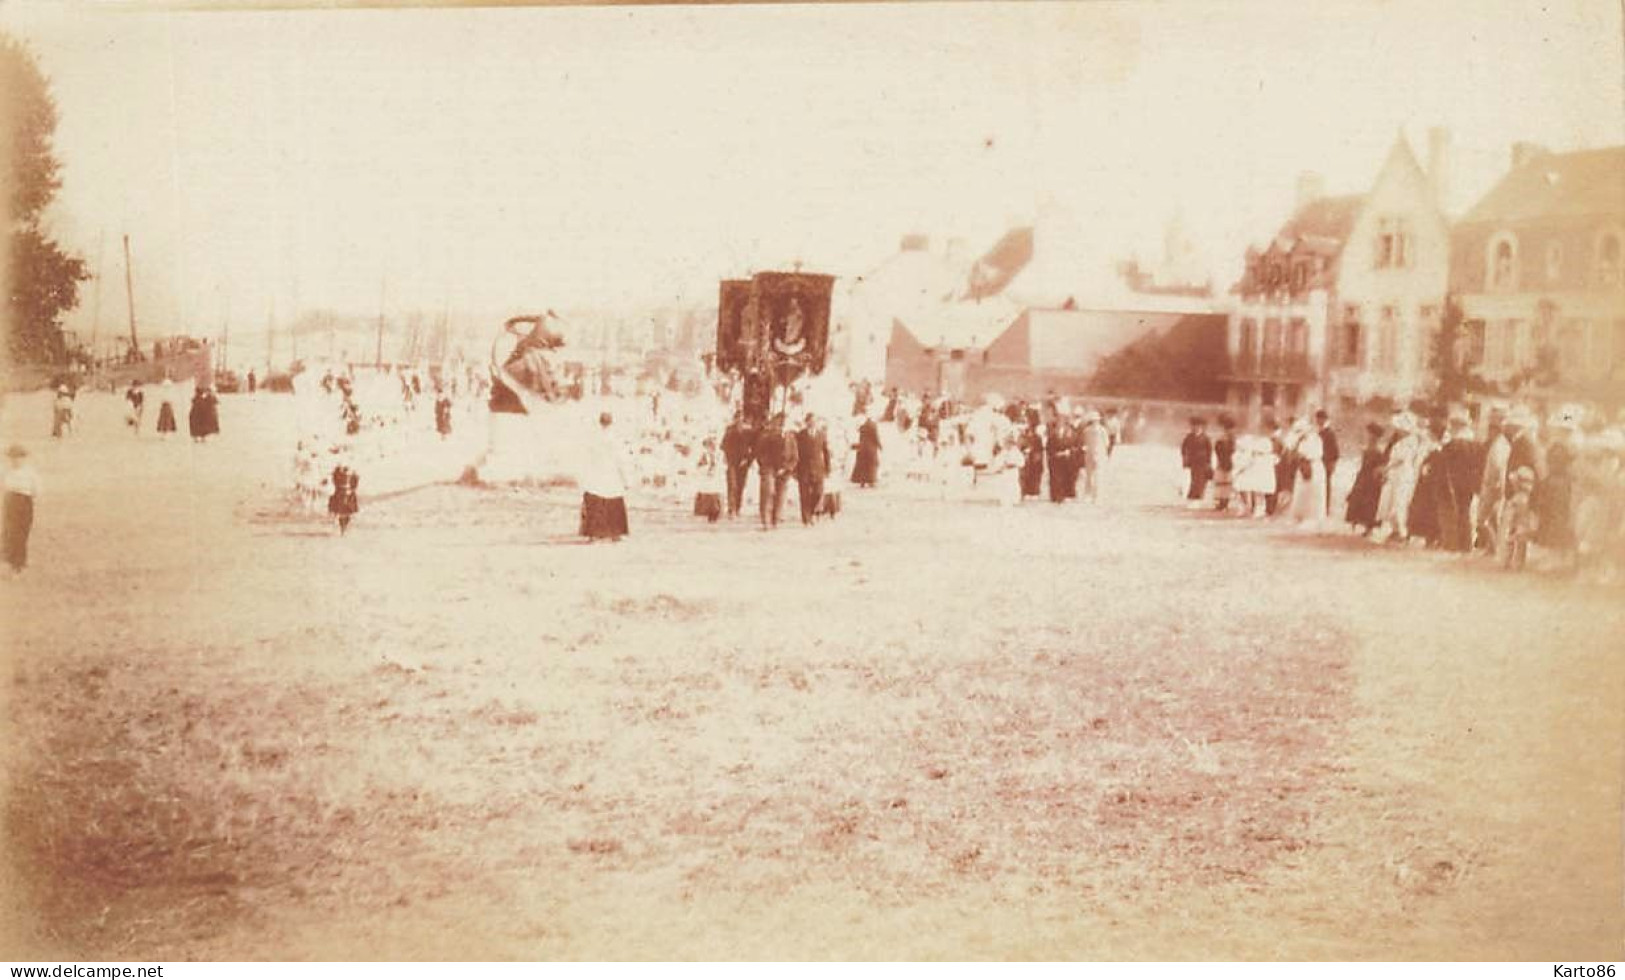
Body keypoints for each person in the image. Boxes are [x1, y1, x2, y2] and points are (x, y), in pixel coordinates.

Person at [579, 412, 630, 542]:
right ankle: (615, 533)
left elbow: (586, 458)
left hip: (597, 474)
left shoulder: (593, 437)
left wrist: (584, 477)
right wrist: (626, 479)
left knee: (596, 502)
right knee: (612, 502)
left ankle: (594, 534)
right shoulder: (615, 438)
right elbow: (621, 459)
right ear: (611, 422)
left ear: (600, 422)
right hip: (611, 474)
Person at [3, 444, 40, 574]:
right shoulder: (7, 472)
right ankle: (12, 561)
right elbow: (5, 488)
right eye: (13, 458)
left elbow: (35, 490)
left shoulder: (30, 472)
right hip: (11, 502)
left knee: (23, 531)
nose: (16, 461)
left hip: (25, 502)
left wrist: (26, 499)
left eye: (19, 458)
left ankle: (20, 560)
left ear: (24, 458)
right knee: (10, 532)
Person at [1344, 422, 1386, 534]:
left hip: (1371, 479)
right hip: (1363, 476)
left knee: (1369, 502)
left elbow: (1380, 467)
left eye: (1371, 435)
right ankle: (1356, 522)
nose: (1369, 437)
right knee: (1358, 498)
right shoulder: (1368, 448)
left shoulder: (1378, 451)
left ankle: (1369, 527)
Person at [1289, 419, 1327, 526]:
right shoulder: (1300, 441)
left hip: (1314, 466)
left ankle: (1313, 517)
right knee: (1301, 492)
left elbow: (1316, 453)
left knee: (1313, 492)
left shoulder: (1315, 439)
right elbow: (1292, 451)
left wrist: (1304, 457)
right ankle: (1299, 516)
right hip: (1302, 467)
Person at [795, 414, 831, 525]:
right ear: (806, 422)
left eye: (814, 421)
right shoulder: (800, 435)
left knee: (818, 492)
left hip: (818, 468)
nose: (812, 423)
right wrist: (795, 469)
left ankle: (812, 511)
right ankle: (806, 518)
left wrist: (827, 468)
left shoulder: (822, 434)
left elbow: (826, 452)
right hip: (803, 468)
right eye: (810, 421)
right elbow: (796, 452)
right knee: (804, 494)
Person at [721, 411, 755, 518]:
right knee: (732, 485)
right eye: (737, 418)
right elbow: (724, 445)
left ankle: (738, 507)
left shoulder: (748, 432)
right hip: (732, 461)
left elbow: (753, 448)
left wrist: (748, 459)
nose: (739, 420)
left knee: (740, 486)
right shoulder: (729, 430)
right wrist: (726, 457)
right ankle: (732, 509)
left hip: (743, 463)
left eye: (740, 418)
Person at [1180, 416, 1213, 508]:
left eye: (1198, 426)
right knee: (1194, 479)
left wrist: (1208, 462)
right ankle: (1192, 497)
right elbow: (1183, 448)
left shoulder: (1205, 438)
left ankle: (1198, 498)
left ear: (1201, 427)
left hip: (1203, 462)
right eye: (1193, 426)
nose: (1195, 428)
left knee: (1201, 480)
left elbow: (1209, 450)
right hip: (1193, 461)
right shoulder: (1189, 437)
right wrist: (1185, 459)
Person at [1079, 410, 1110, 503]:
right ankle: (1092, 496)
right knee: (1093, 476)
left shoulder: (1098, 430)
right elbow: (1107, 443)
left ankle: (1093, 496)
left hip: (1095, 454)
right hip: (1094, 454)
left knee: (1094, 476)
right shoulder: (1092, 430)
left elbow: (1106, 443)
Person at [1316, 410, 1340, 514]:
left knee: (1326, 485)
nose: (1318, 421)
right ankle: (1319, 507)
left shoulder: (1329, 433)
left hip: (1326, 463)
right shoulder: (1318, 432)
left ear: (1324, 420)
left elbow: (1335, 451)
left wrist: (1332, 464)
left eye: (1320, 419)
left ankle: (1326, 508)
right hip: (1319, 462)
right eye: (1317, 418)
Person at [1212, 416, 1237, 512]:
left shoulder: (1230, 438)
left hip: (1228, 461)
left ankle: (1224, 503)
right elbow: (1217, 449)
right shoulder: (1225, 438)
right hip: (1223, 461)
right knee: (1222, 483)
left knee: (1225, 483)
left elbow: (1231, 451)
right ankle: (1222, 502)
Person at [328, 460, 360, 535]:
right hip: (340, 493)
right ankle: (342, 528)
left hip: (347, 493)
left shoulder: (352, 473)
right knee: (341, 512)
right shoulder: (338, 472)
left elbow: (355, 480)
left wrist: (352, 489)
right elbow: (335, 479)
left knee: (347, 512)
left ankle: (344, 528)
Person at [851, 412, 881, 488]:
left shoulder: (862, 425)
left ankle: (862, 482)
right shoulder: (873, 425)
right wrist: (880, 445)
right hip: (871, 448)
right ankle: (871, 481)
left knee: (862, 465)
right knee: (872, 465)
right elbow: (876, 437)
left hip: (862, 448)